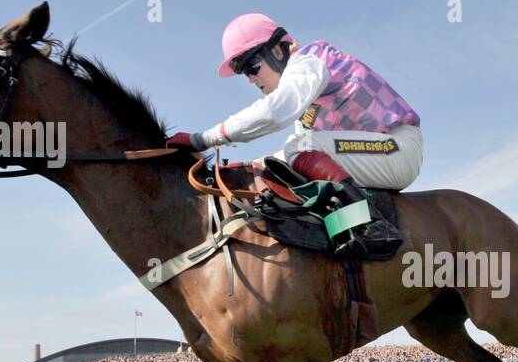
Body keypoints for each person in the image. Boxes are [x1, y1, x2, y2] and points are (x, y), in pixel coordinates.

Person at [166, 13, 419, 256]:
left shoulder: (310, 61)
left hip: (395, 148)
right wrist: (247, 168)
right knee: (288, 158)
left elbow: (276, 111)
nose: (251, 79)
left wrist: (204, 139)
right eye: (245, 73)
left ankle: (370, 224)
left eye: (252, 67)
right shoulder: (306, 101)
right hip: (376, 155)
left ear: (276, 51)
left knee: (298, 147)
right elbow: (293, 154)